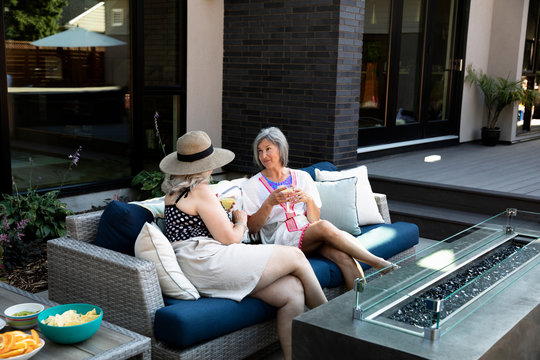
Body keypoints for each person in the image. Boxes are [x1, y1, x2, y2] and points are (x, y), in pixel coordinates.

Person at [159, 130, 327, 360]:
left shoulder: (174, 192)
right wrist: (240, 220)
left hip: (195, 264)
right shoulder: (200, 191)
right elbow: (231, 238)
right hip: (206, 261)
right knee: (296, 257)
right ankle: (336, 330)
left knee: (292, 291)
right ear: (204, 166)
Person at [242, 127, 397, 289]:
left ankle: (360, 307)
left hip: (307, 233)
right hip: (280, 238)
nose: (263, 156)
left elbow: (314, 219)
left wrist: (308, 200)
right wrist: (269, 203)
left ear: (281, 149)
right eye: (260, 151)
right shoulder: (253, 185)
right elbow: (252, 228)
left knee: (343, 257)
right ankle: (378, 262)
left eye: (268, 149)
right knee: (323, 226)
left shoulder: (301, 177)